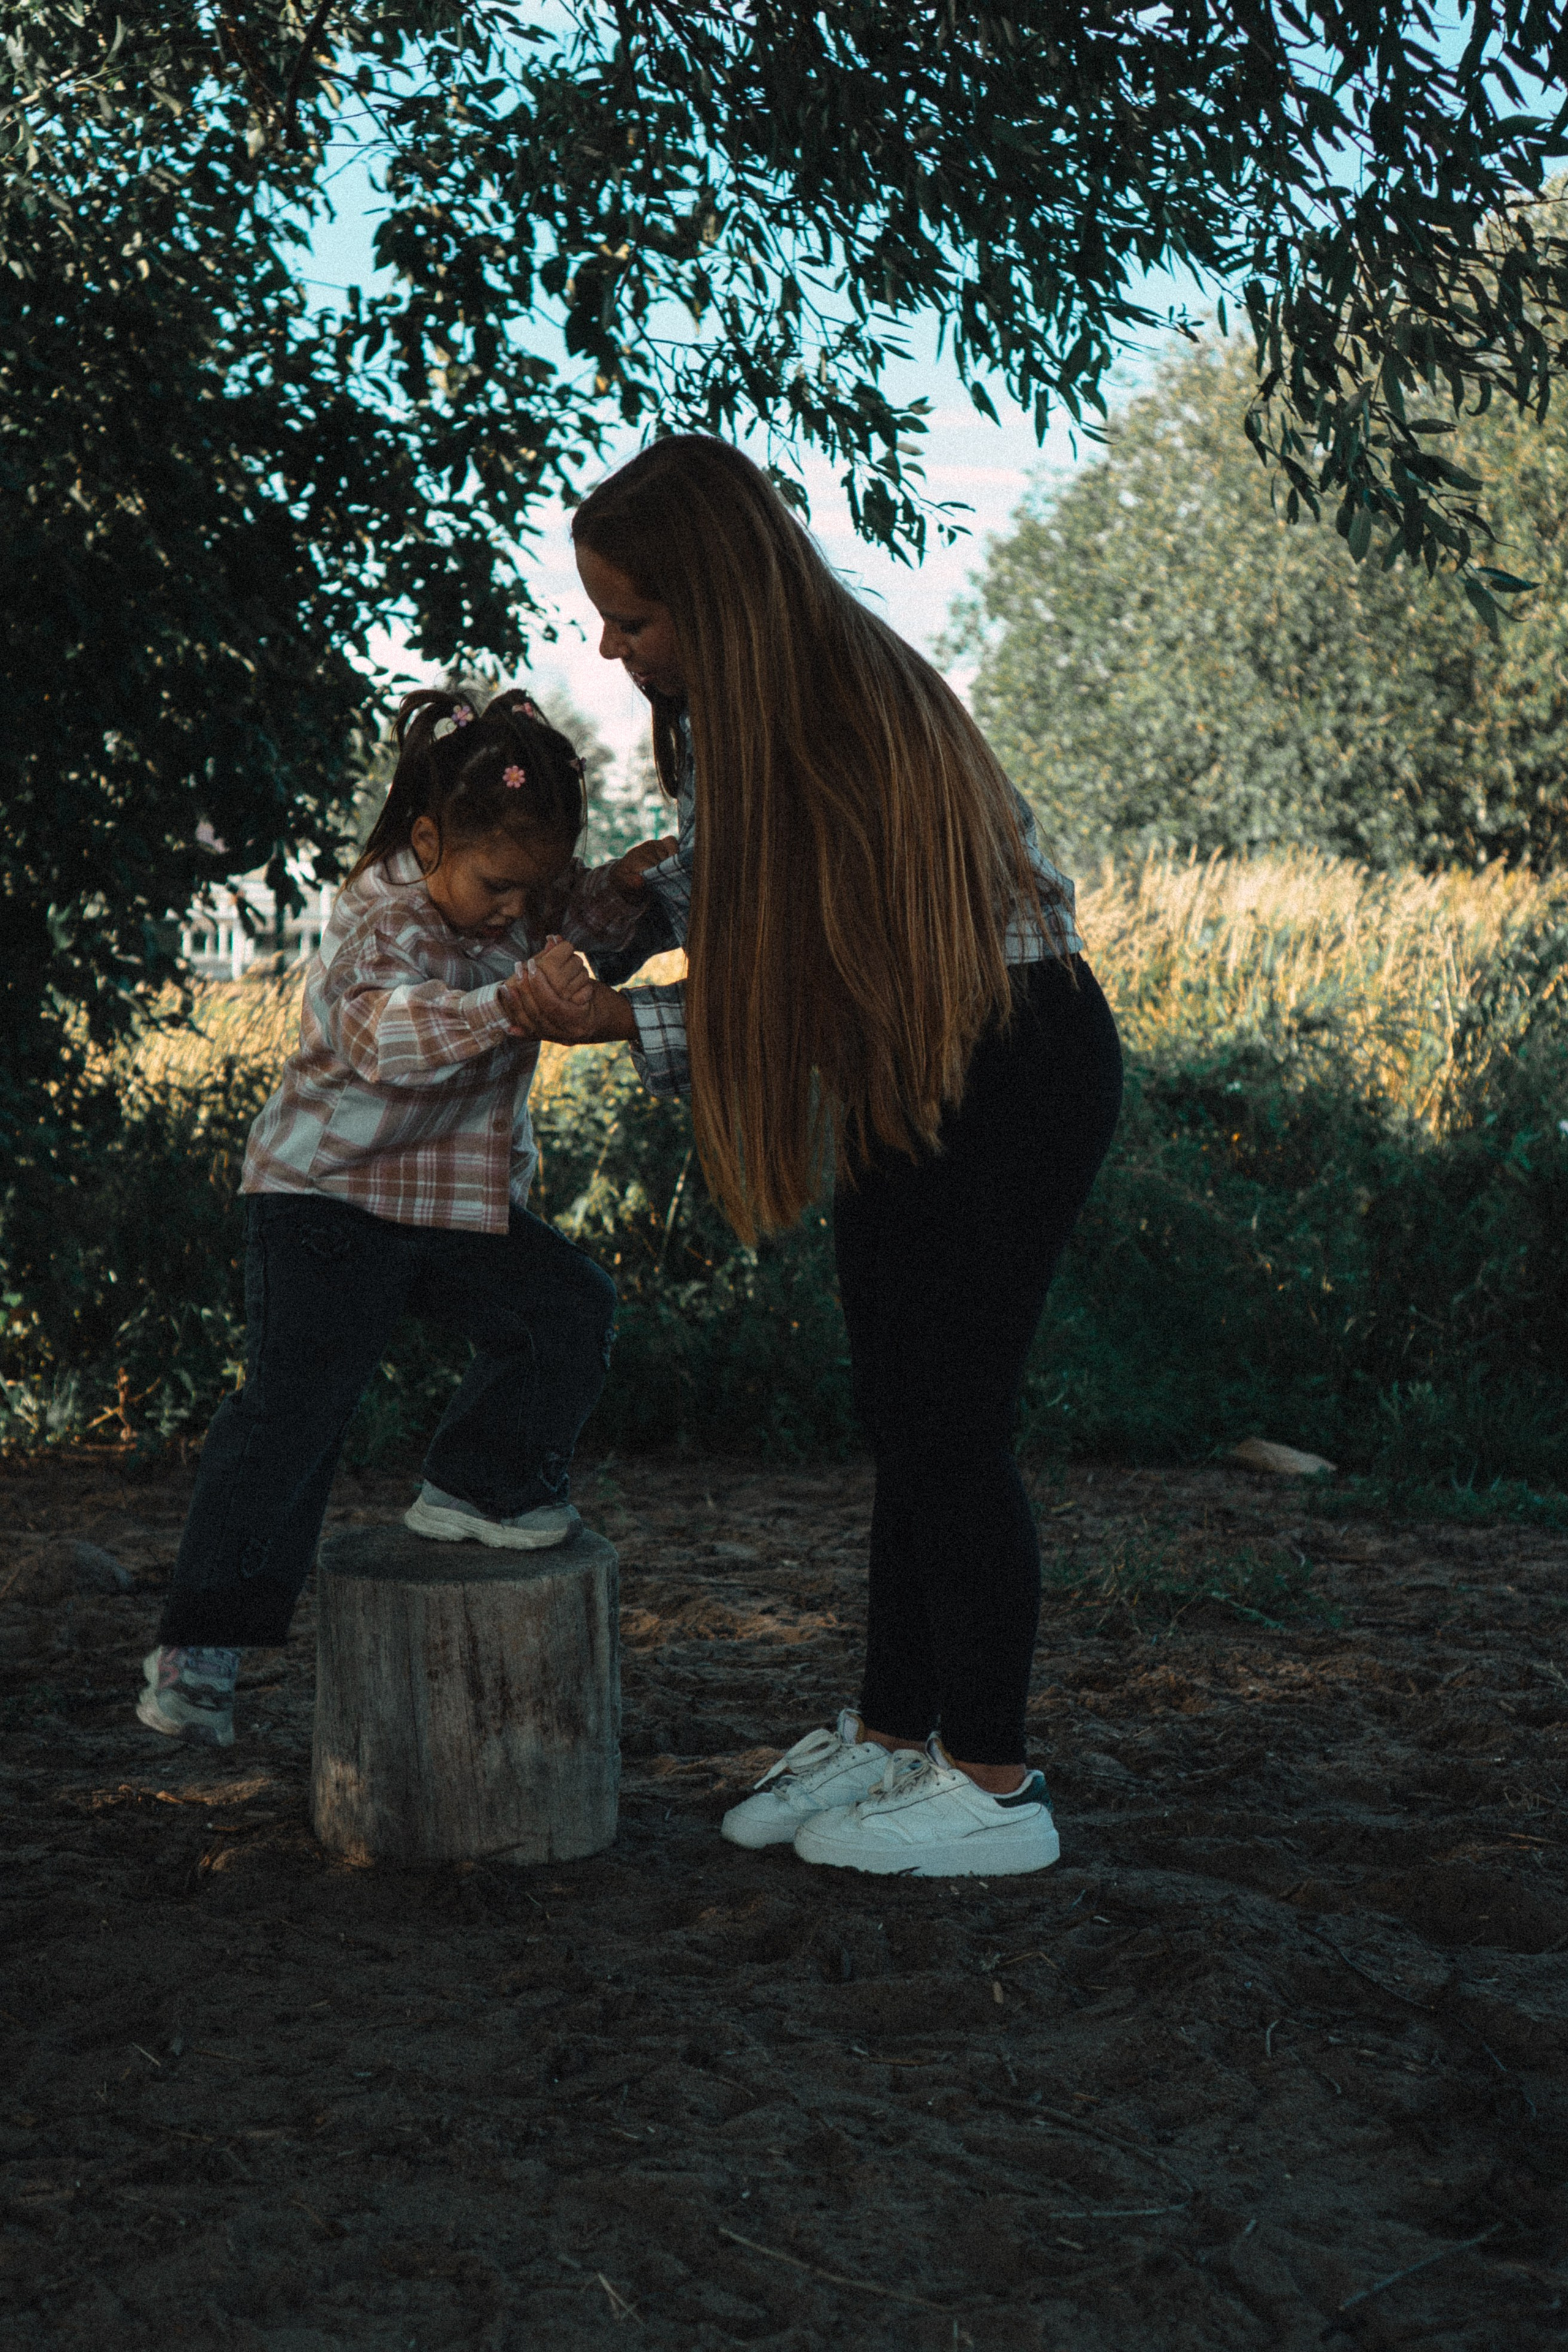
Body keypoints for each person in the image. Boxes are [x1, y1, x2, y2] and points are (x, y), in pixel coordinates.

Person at [510, 436, 1124, 1880]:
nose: (608, 644)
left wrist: (621, 1022)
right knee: (901, 1407)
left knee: (951, 1421)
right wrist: (614, 904)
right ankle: (895, 1729)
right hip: (920, 1065)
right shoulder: (742, 709)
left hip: (1012, 1061)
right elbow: (738, 877)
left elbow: (820, 969)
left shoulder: (846, 715)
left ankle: (989, 1780)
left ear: (719, 600)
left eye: (635, 618)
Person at [137, 687, 670, 1750]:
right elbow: (389, 1039)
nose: (515, 914)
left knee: (567, 1308)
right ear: (428, 840)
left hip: (450, 1204)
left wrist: (621, 889)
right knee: (295, 1412)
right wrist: (511, 1005)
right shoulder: (380, 917)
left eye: (538, 889)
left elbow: (578, 935)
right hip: (327, 1200)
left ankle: (480, 1482)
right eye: (495, 887)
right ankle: (202, 1645)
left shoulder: (518, 896)